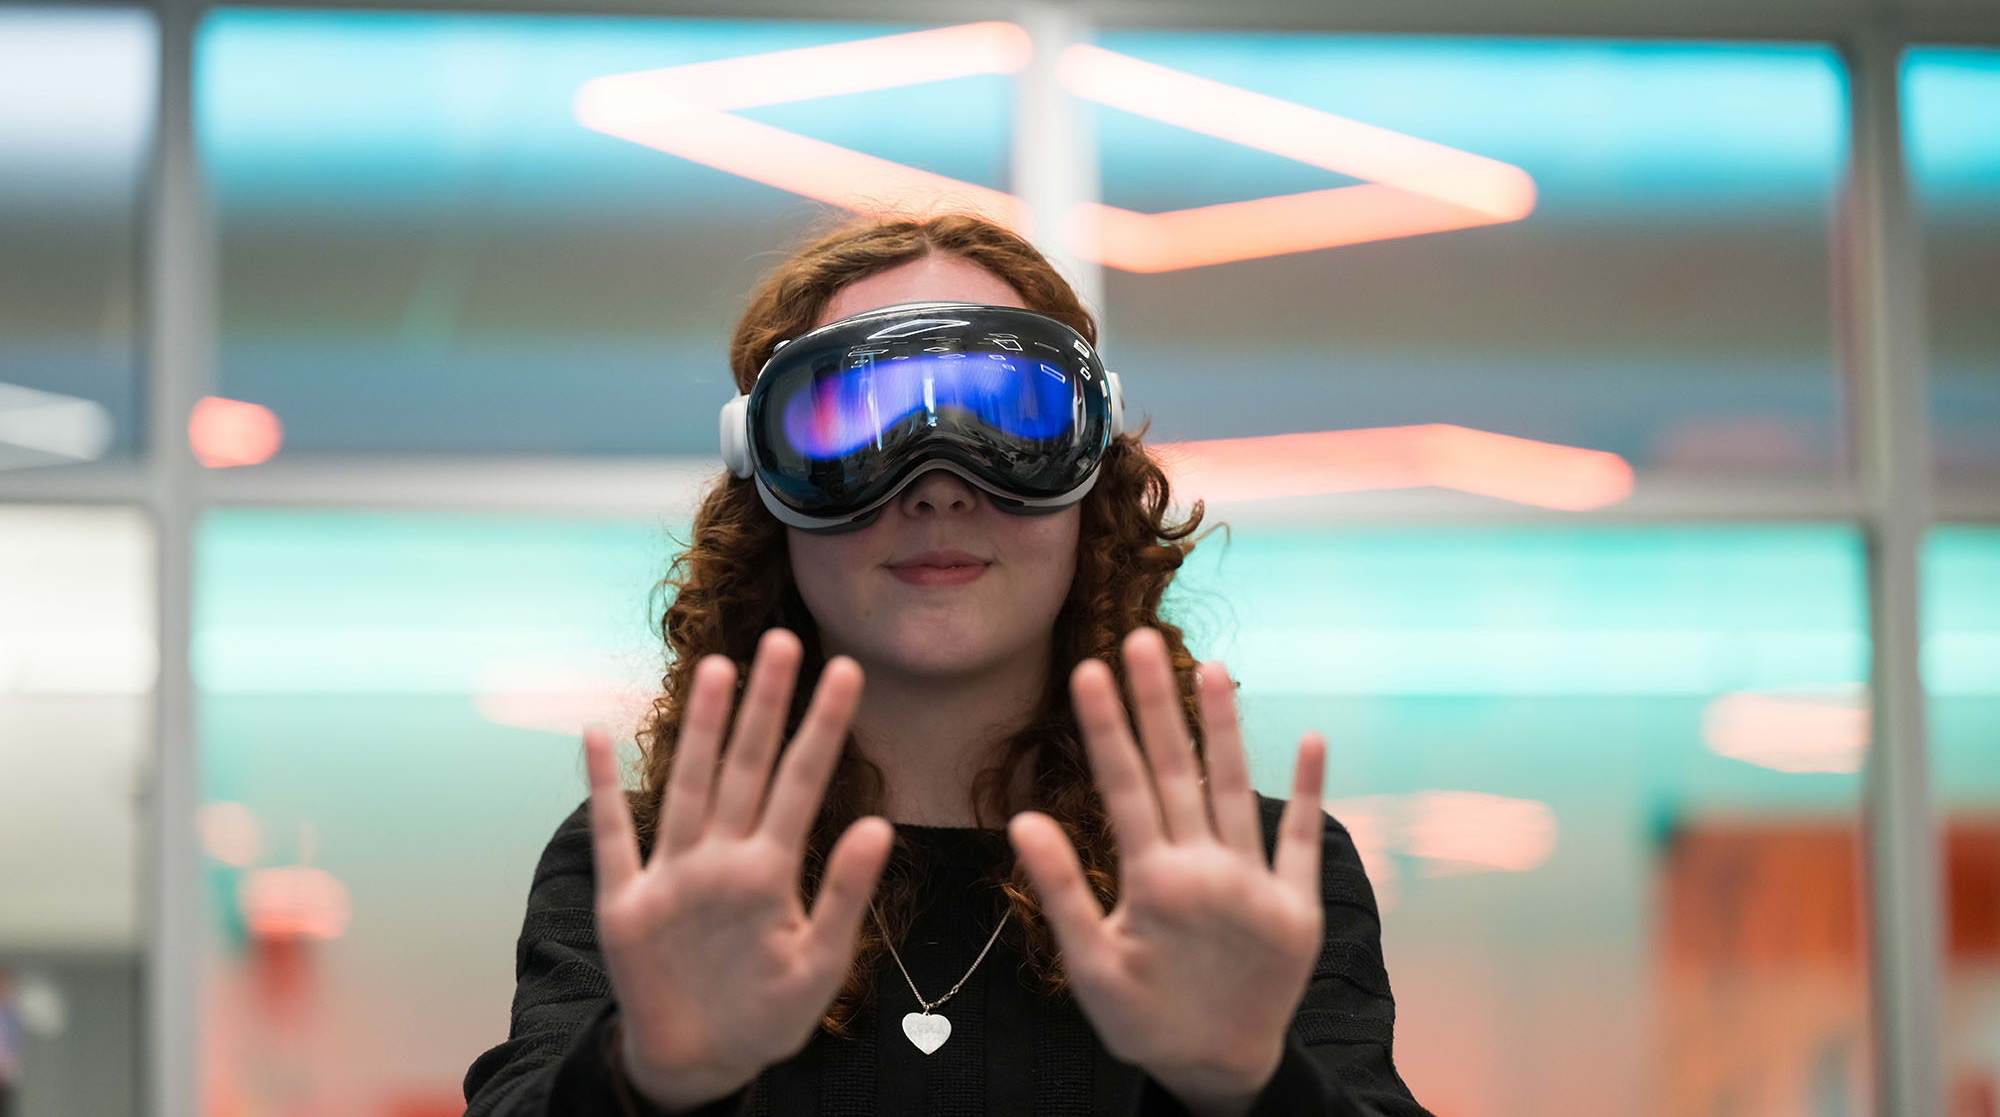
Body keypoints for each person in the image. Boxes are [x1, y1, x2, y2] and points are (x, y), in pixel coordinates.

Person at [461, 212, 1431, 1117]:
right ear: (768, 484)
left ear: (1089, 472)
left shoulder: (1247, 881)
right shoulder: (657, 874)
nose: (934, 484)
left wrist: (1248, 1088)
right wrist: (648, 1078)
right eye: (854, 422)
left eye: (1007, 414)